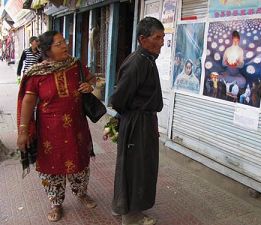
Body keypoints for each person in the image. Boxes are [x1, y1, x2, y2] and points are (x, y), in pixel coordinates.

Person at [16, 31, 97, 222]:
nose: (65, 46)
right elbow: (27, 102)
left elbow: (91, 78)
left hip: (76, 127)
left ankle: (82, 193)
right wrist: (23, 130)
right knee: (52, 167)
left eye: (64, 42)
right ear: (47, 50)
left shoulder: (74, 64)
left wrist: (89, 86)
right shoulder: (37, 74)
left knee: (79, 161)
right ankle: (56, 203)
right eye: (59, 44)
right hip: (50, 131)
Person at [111, 17, 164, 225]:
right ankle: (131, 217)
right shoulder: (137, 63)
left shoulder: (147, 60)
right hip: (137, 124)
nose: (161, 42)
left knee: (137, 166)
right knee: (135, 169)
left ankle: (122, 208)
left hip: (142, 121)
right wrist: (132, 118)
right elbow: (118, 100)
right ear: (143, 39)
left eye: (163, 37)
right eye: (157, 37)